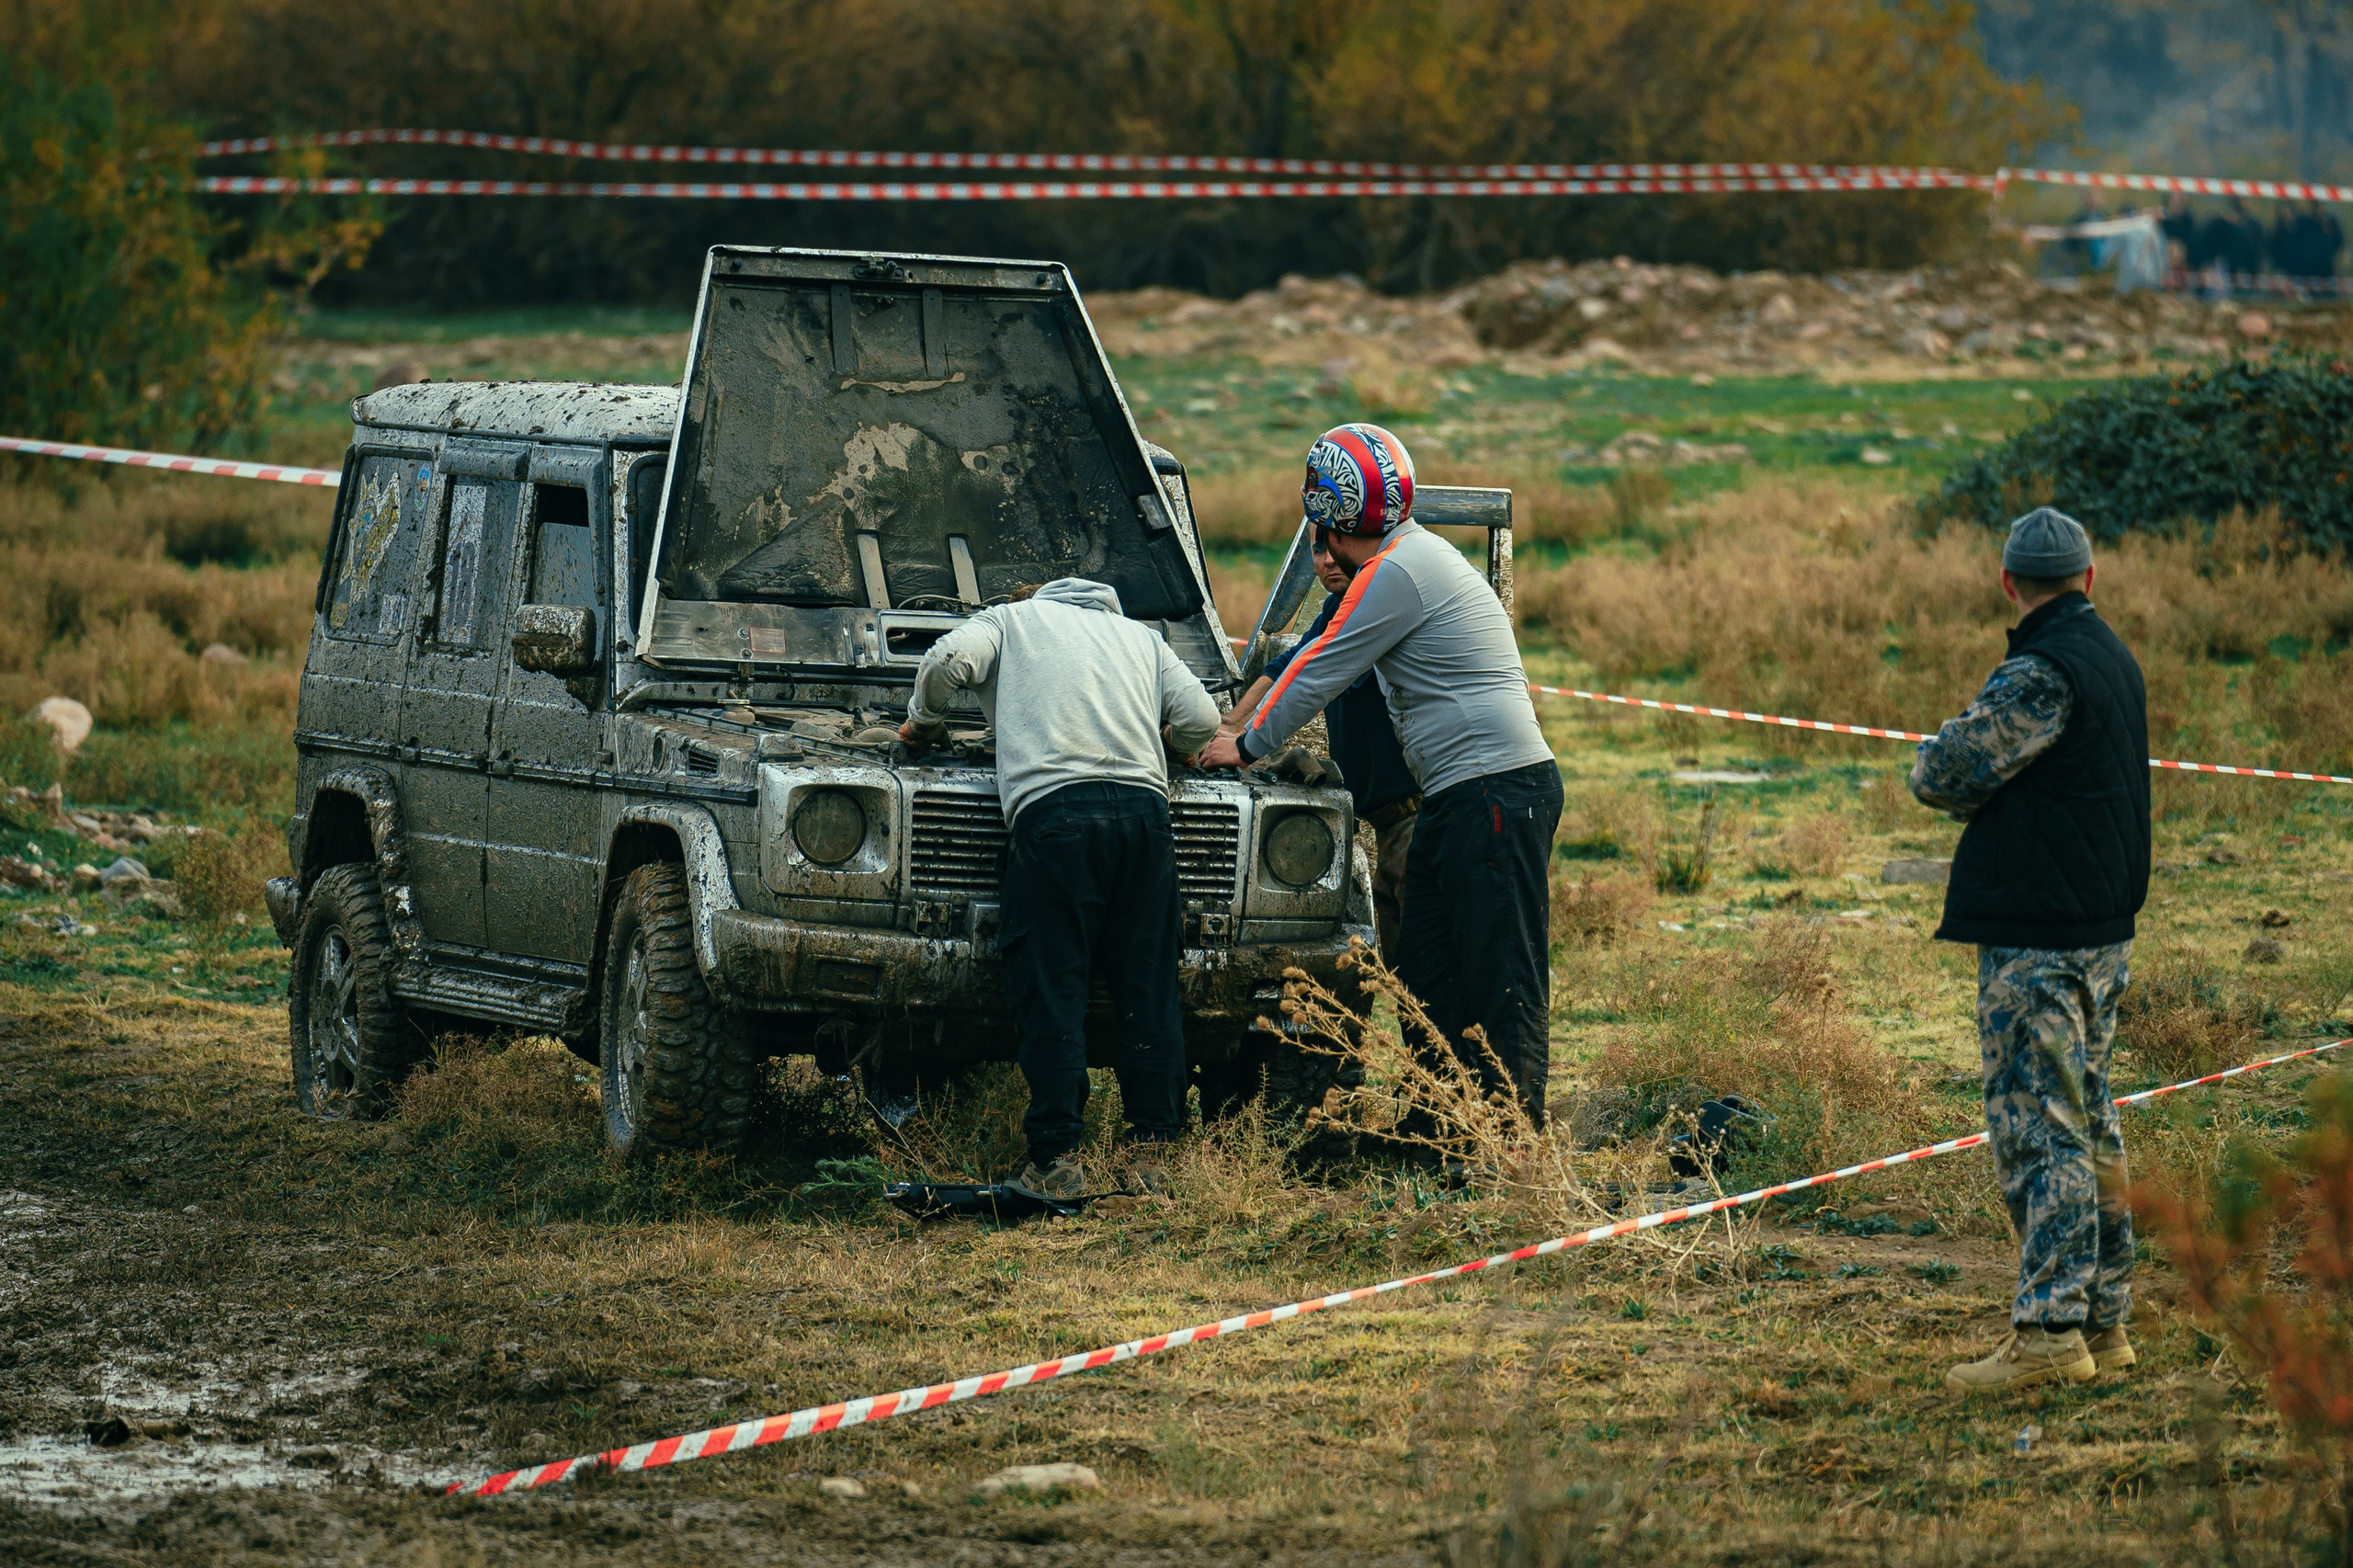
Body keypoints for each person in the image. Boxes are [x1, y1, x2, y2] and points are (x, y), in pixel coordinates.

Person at [1195, 424, 1563, 1127]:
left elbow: (1318, 667)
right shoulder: (1406, 558)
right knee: (1425, 968)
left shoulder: (1395, 572)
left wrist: (1241, 746)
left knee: (1500, 974)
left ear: (1327, 525)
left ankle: (1518, 1144)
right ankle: (1444, 1125)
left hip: (1494, 789)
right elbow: (1305, 660)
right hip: (1463, 796)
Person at [1910, 508, 2150, 1392]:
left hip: (2042, 934)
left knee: (2039, 1126)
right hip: (2099, 927)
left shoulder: (2039, 670)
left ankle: (2049, 1335)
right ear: (2089, 578)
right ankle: (2104, 1321)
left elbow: (1944, 774)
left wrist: (1940, 737)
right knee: (2089, 1118)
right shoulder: (2111, 656)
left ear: (2009, 583)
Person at [901, 576, 1222, 1201]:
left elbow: (945, 662)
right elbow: (1203, 719)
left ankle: (1056, 1160)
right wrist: (1172, 746)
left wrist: (924, 723)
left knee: (1054, 988)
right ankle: (1153, 1158)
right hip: (1144, 820)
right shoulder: (1141, 637)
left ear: (1035, 599)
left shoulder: (1011, 622)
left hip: (1055, 820)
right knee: (1147, 987)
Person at [1220, 529, 1421, 957]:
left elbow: (1310, 682)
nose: (1328, 559)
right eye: (1317, 548)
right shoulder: (1335, 608)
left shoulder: (1374, 607)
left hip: (1416, 819)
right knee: (1405, 978)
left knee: (1426, 973)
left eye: (1337, 544)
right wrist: (1231, 723)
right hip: (1387, 827)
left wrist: (1245, 747)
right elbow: (1287, 664)